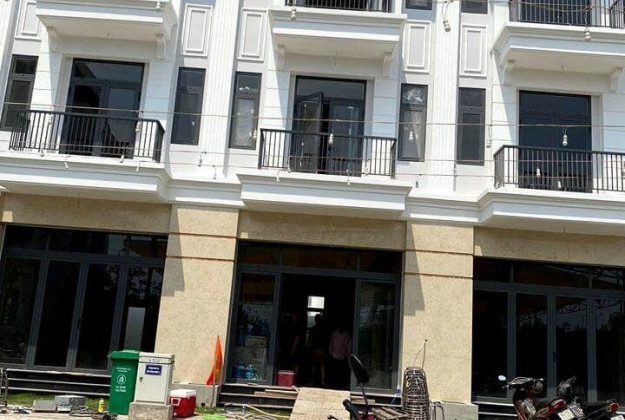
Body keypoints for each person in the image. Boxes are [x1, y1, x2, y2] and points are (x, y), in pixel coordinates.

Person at [328, 323, 351, 389]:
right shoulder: (334, 334)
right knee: (335, 370)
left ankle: (340, 384)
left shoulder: (346, 334)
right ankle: (334, 384)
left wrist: (348, 352)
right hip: (335, 354)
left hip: (342, 355)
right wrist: (330, 351)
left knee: (341, 370)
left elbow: (348, 344)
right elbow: (331, 342)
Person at [308, 314, 328, 386]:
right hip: (321, 349)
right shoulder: (324, 329)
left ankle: (312, 381)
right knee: (322, 366)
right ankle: (322, 381)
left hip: (315, 349)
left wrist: (308, 345)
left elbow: (310, 339)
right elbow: (326, 339)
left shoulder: (313, 328)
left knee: (313, 365)